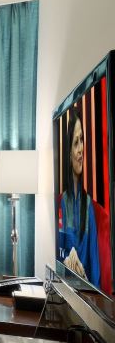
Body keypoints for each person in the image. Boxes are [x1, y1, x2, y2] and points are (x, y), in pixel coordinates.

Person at [58, 114, 102, 287]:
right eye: (76, 142)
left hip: (87, 292)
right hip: (65, 289)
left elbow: (95, 264)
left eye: (82, 140)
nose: (81, 149)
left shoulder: (88, 205)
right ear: (68, 153)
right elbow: (58, 254)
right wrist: (67, 260)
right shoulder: (62, 203)